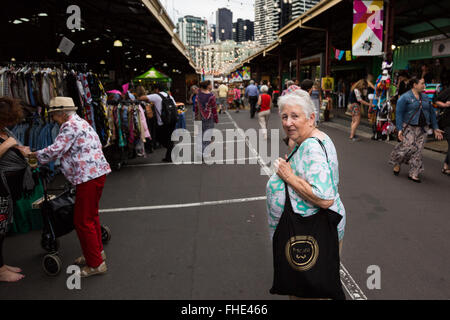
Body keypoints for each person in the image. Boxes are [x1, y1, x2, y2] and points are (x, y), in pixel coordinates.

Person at [266, 90, 346, 299]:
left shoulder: (311, 147)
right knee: (314, 284)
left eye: (295, 116)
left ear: (311, 118)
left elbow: (325, 198)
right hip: (312, 225)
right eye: (284, 116)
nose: (288, 122)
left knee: (308, 289)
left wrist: (289, 176)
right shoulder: (315, 137)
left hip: (310, 228)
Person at [22, 97, 111, 277]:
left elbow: (55, 150)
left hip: (87, 176)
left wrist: (32, 157)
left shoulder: (69, 127)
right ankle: (95, 253)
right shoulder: (81, 122)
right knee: (90, 216)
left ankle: (96, 264)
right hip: (96, 173)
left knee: (82, 221)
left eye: (54, 115)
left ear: (62, 113)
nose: (53, 119)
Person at [0, 97, 34, 282]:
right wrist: (10, 144)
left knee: (2, 228)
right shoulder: (5, 135)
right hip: (0, 189)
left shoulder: (4, 130)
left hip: (7, 190)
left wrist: (21, 151)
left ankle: (1, 265)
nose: (9, 123)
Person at [389, 77, 444, 182]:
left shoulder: (426, 97)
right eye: (422, 83)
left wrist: (436, 128)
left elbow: (432, 113)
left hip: (423, 128)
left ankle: (414, 173)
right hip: (409, 127)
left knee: (418, 151)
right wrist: (399, 129)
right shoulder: (405, 98)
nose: (424, 86)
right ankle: (398, 162)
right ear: (415, 85)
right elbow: (399, 114)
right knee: (407, 148)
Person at [139, 83, 177, 162]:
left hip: (162, 122)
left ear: (157, 89)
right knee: (169, 138)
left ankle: (170, 152)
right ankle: (169, 156)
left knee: (158, 137)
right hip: (172, 120)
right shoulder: (170, 96)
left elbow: (142, 98)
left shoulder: (156, 96)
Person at [196, 80, 218, 159]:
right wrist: (216, 118)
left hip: (199, 117)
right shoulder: (211, 96)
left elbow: (196, 108)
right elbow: (214, 108)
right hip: (209, 117)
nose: (211, 85)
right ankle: (205, 154)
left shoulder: (198, 95)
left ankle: (199, 152)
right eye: (210, 84)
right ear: (208, 86)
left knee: (200, 135)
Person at [433, 81, 450, 175]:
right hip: (448, 122)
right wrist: (445, 105)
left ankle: (446, 165)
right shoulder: (449, 91)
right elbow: (435, 100)